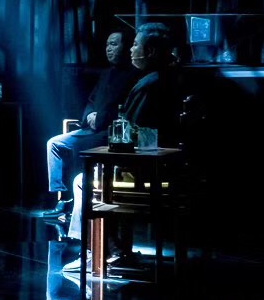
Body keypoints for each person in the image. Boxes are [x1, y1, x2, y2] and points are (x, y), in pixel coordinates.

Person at [64, 21, 185, 274]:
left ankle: (93, 250)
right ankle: (117, 249)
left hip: (147, 170)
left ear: (150, 51)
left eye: (135, 45)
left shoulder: (149, 85)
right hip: (164, 166)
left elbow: (131, 132)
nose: (131, 49)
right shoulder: (170, 78)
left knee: (83, 181)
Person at [46, 30, 138, 221]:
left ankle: (80, 201)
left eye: (114, 44)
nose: (109, 48)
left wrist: (101, 118)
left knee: (79, 148)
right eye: (107, 44)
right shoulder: (106, 73)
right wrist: (89, 116)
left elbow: (127, 109)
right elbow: (91, 100)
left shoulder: (134, 76)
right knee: (54, 144)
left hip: (111, 132)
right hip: (91, 127)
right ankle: (64, 197)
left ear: (126, 46)